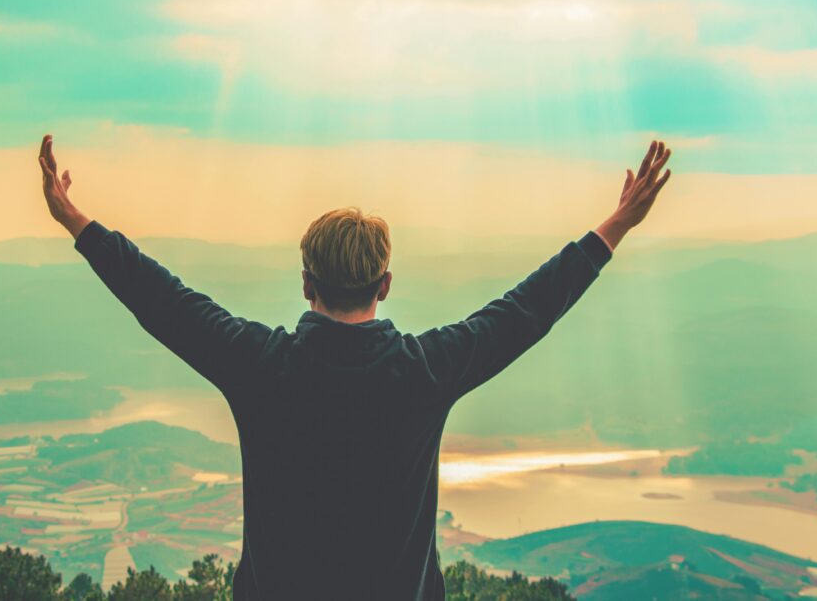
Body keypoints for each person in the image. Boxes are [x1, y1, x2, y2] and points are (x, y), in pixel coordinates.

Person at [38, 136, 673, 600]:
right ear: (386, 283)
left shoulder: (258, 365)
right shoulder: (427, 372)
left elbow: (162, 300)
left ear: (306, 281)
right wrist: (614, 226)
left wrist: (75, 220)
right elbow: (528, 309)